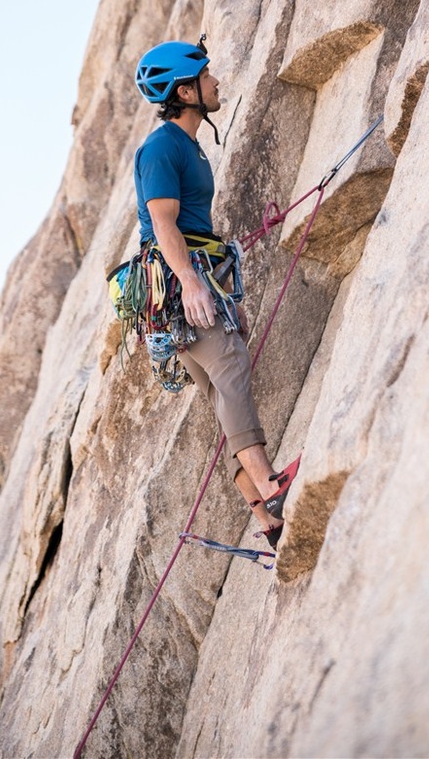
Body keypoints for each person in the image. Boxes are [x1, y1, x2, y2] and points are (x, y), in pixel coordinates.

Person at [134, 38, 300, 549]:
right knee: (229, 371)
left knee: (219, 390)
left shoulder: (187, 146)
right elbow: (163, 223)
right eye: (207, 75)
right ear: (185, 91)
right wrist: (191, 284)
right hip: (177, 281)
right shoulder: (162, 146)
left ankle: (268, 521)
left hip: (187, 279)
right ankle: (272, 490)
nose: (217, 80)